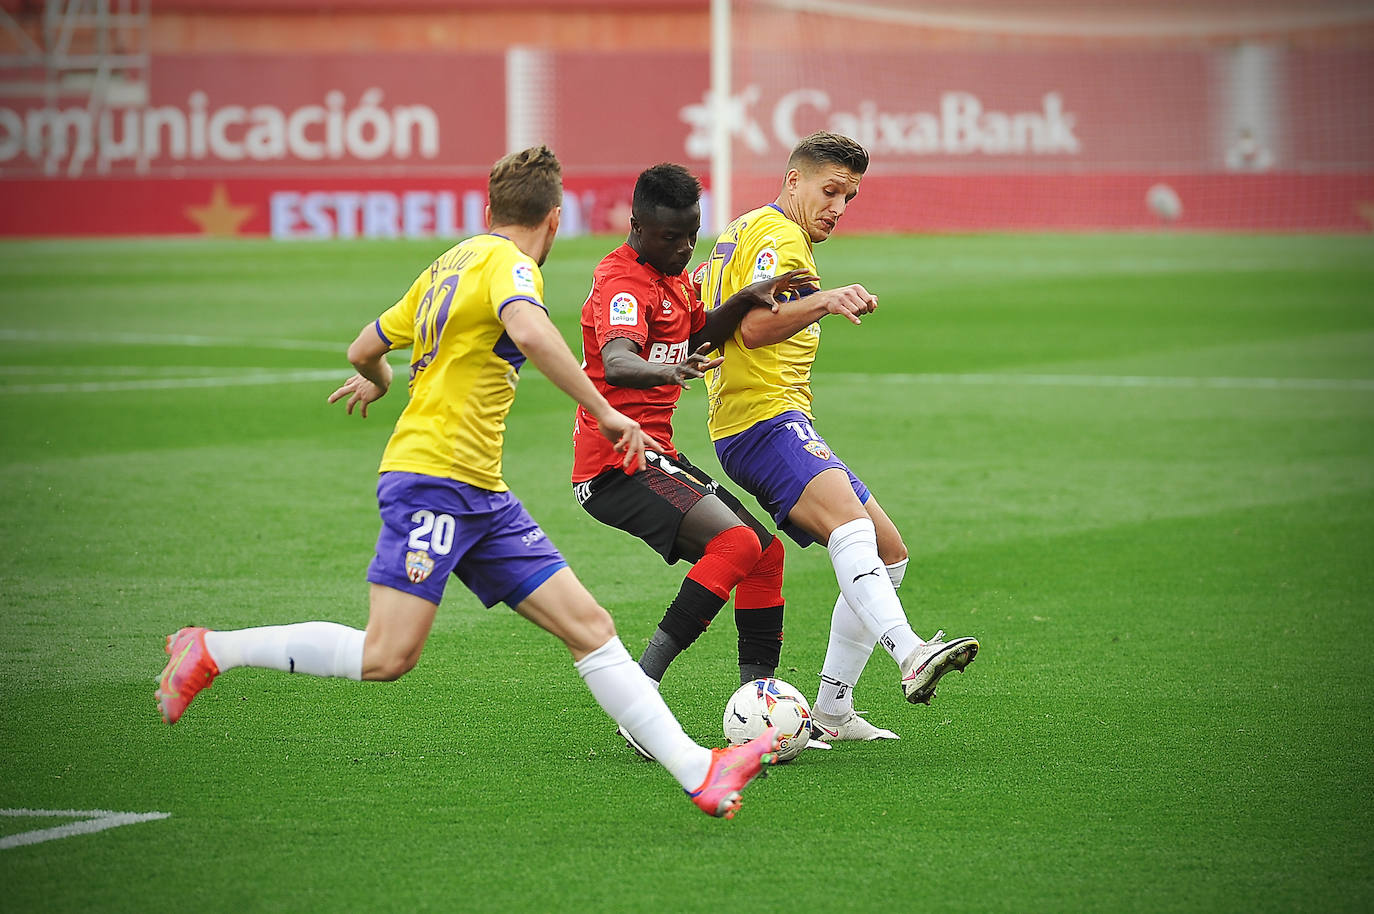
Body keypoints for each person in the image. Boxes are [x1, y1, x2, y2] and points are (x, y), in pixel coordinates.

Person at [155, 145, 781, 820]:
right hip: (434, 480)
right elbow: (534, 334)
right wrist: (604, 411)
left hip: (480, 490)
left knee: (590, 627)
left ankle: (701, 774)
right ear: (554, 219)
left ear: (490, 208)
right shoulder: (509, 265)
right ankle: (212, 649)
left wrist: (381, 377)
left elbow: (365, 349)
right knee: (387, 654)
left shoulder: (449, 262)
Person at [697, 131, 980, 743]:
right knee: (853, 532)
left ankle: (831, 709)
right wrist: (824, 300)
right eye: (830, 191)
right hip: (761, 421)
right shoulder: (781, 238)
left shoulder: (740, 231)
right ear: (792, 180)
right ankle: (908, 653)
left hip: (772, 420)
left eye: (848, 197)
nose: (838, 208)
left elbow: (709, 310)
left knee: (888, 550)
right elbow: (752, 330)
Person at [573, 163, 816, 711]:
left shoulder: (673, 277)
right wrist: (665, 369)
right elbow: (616, 362)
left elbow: (699, 334)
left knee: (766, 555)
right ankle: (638, 699)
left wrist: (747, 298)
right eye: (670, 236)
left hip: (655, 455)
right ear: (636, 225)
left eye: (691, 233)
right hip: (615, 464)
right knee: (736, 544)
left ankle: (763, 705)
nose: (684, 248)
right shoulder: (623, 284)